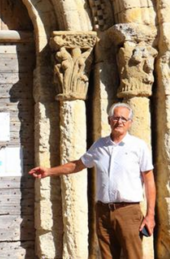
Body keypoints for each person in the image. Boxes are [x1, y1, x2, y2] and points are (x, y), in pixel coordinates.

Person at [28, 102, 155, 259]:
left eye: (123, 118)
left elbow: (149, 181)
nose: (119, 121)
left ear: (130, 122)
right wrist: (48, 171)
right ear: (109, 120)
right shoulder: (99, 145)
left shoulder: (138, 146)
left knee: (133, 256)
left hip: (128, 212)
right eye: (115, 118)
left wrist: (150, 215)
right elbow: (77, 165)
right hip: (103, 212)